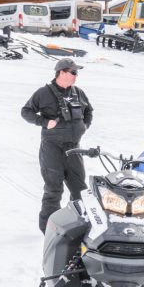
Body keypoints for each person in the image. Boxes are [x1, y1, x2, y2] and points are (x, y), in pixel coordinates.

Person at [21, 58, 94, 234]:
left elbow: (88, 111)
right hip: (52, 147)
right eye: (73, 72)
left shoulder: (78, 92)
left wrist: (84, 126)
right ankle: (48, 229)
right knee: (54, 189)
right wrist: (44, 122)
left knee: (79, 189)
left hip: (74, 148)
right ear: (61, 72)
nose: (76, 76)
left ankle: (79, 226)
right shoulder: (43, 93)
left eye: (76, 73)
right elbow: (26, 111)